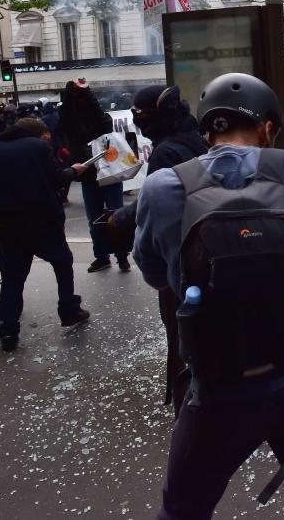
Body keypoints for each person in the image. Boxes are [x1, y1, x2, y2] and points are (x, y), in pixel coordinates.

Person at [134, 73, 284, 519]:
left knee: (182, 510)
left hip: (216, 391)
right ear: (269, 128)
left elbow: (157, 277)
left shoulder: (162, 186)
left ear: (206, 131)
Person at [105, 86, 208, 415]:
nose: (136, 119)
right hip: (205, 248)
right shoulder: (193, 136)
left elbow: (157, 202)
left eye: (140, 113)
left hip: (179, 256)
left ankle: (186, 409)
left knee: (180, 337)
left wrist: (119, 220)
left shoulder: (167, 151)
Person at [0, 118, 90, 351]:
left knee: (13, 279)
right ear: (37, 134)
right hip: (44, 221)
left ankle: (8, 331)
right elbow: (57, 178)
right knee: (62, 263)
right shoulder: (38, 147)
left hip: (8, 224)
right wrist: (74, 171)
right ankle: (69, 309)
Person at [58, 79, 130, 273]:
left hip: (100, 170)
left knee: (110, 215)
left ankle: (116, 256)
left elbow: (100, 121)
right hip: (93, 171)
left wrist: (82, 95)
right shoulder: (73, 119)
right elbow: (65, 120)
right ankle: (109, 256)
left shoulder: (96, 117)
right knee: (101, 217)